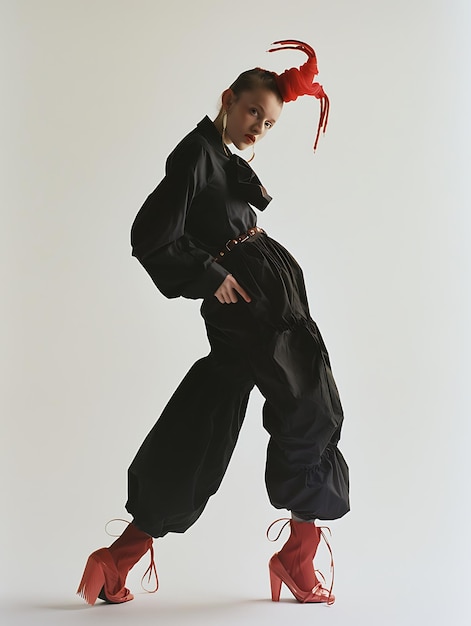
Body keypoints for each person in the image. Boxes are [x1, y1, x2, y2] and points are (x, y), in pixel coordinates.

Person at [77, 39, 349, 607]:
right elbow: (151, 234)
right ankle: (297, 559)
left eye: (271, 123)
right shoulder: (196, 154)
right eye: (253, 112)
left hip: (264, 304)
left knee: (206, 418)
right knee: (309, 406)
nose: (259, 127)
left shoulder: (220, 156)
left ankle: (117, 558)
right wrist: (208, 276)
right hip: (252, 310)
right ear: (229, 99)